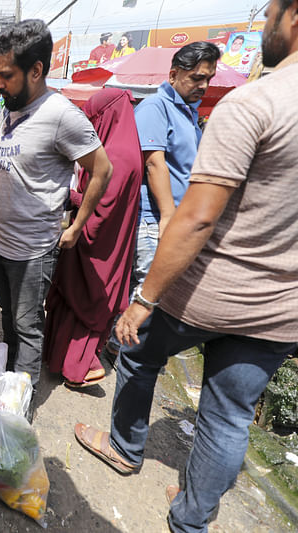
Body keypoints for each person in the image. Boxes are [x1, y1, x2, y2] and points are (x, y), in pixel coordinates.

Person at [75, 2, 298, 531]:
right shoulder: (173, 109)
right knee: (228, 416)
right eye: (196, 77)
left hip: (208, 287)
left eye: (269, 11)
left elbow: (196, 219)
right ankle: (192, 517)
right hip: (279, 306)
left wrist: (144, 300)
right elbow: (156, 165)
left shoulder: (256, 103)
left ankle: (125, 448)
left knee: (136, 355)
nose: (264, 20)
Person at [0, 19, 113, 389]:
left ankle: (18, 409)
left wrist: (77, 226)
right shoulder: (8, 110)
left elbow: (102, 168)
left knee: (28, 327)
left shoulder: (61, 116)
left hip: (32, 252)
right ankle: (9, 375)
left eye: (6, 75)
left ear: (36, 70)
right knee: (8, 317)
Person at [103, 41, 220, 361]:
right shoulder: (156, 108)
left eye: (207, 77)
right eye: (196, 77)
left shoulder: (187, 112)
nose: (203, 85)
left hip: (174, 219)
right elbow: (154, 162)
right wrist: (168, 215)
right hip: (154, 218)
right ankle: (122, 351)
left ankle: (121, 348)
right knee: (149, 291)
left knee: (149, 291)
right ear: (173, 74)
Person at [42, 89, 143, 388]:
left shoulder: (117, 156)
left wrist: (67, 195)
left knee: (81, 300)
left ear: (107, 116)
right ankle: (68, 361)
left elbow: (99, 208)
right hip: (109, 246)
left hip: (95, 246)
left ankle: (80, 365)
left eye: (93, 119)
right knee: (78, 301)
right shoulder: (127, 147)